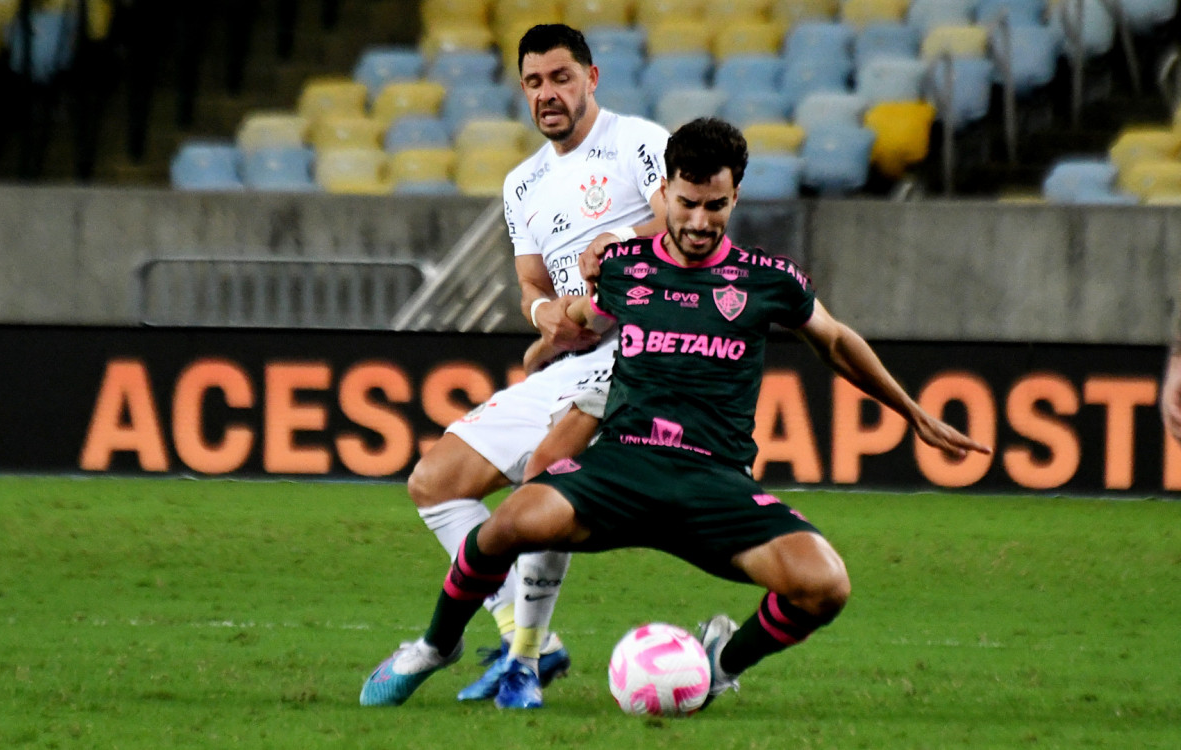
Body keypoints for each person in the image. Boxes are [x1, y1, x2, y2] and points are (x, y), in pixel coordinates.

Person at [361, 117, 992, 709]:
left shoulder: (767, 279)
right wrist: (544, 341)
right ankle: (435, 647)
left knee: (825, 586)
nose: (697, 219)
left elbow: (835, 341)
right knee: (506, 525)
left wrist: (912, 413)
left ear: (734, 198)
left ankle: (719, 666)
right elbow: (583, 319)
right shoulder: (624, 268)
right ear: (664, 192)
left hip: (714, 483)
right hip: (620, 470)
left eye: (714, 205)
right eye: (685, 203)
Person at [401, 23, 669, 709]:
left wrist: (617, 242)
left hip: (638, 350)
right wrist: (543, 316)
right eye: (534, 82)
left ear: (591, 78)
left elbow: (684, 224)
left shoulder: (639, 142)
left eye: (560, 77)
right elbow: (529, 284)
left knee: (543, 484)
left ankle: (520, 660)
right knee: (435, 481)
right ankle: (527, 637)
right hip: (570, 356)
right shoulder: (521, 183)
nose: (547, 93)